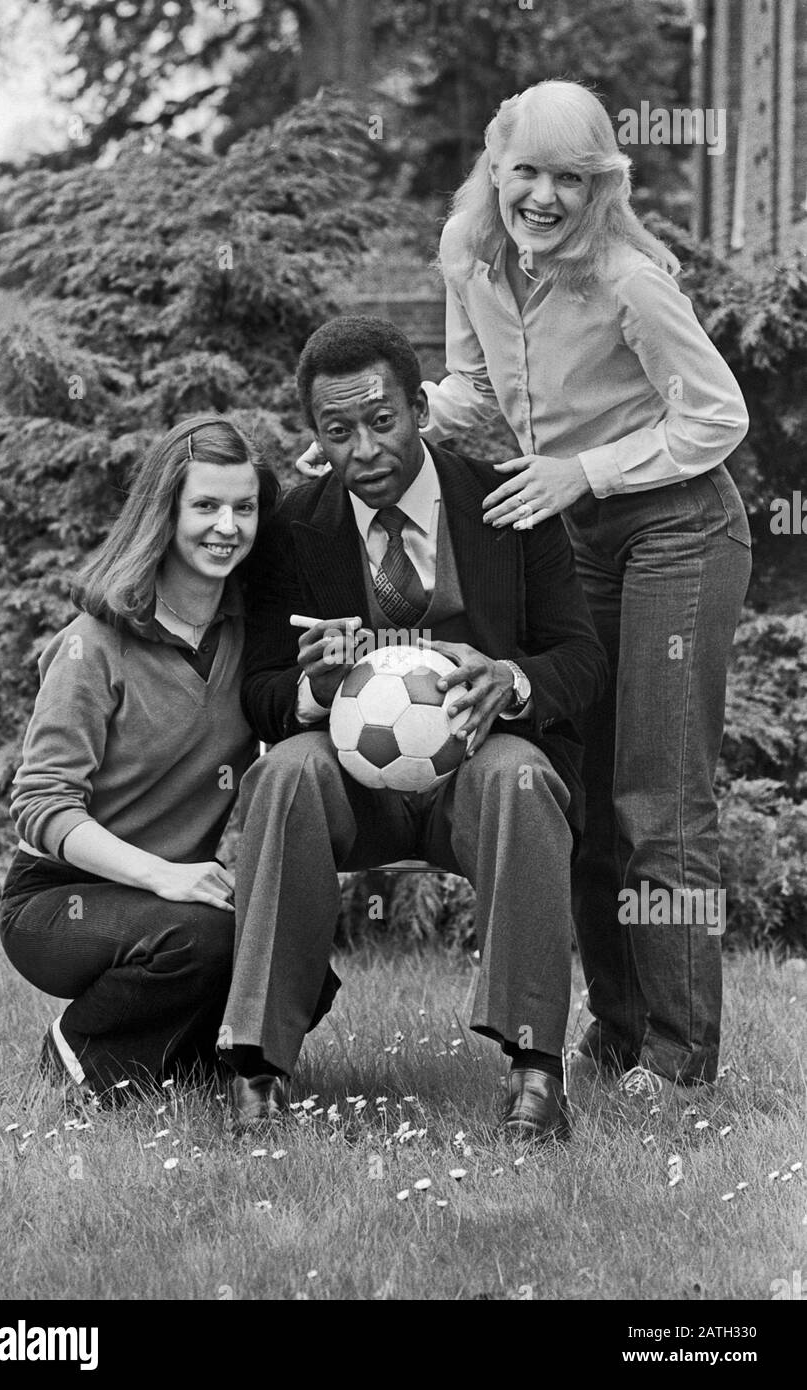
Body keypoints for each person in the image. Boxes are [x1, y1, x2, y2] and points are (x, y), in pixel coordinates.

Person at [300, 80, 751, 1095]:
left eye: (569, 179)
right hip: (573, 533)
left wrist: (582, 471)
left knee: (656, 793)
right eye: (526, 171)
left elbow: (716, 417)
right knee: (581, 793)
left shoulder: (629, 281)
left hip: (676, 527)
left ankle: (681, 1060)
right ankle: (618, 1030)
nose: (543, 196)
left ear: (600, 187)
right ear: (493, 163)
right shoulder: (469, 257)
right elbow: (467, 391)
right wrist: (358, 447)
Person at [217, 314, 608, 1142]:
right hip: (352, 785)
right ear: (315, 434)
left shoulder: (509, 505)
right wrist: (313, 690)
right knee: (284, 771)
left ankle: (536, 1071)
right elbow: (257, 690)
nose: (362, 448)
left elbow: (582, 657)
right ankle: (258, 1064)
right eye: (337, 430)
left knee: (522, 775)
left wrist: (511, 681)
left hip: (476, 772)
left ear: (420, 408)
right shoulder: (290, 528)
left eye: (381, 420)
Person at [0, 414, 280, 1102]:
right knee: (204, 939)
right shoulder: (92, 644)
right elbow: (40, 806)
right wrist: (164, 876)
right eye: (205, 506)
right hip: (60, 898)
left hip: (168, 898)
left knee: (298, 965)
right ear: (165, 512)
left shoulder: (254, 636)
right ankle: (82, 1051)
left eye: (243, 508)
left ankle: (176, 1061)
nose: (227, 526)